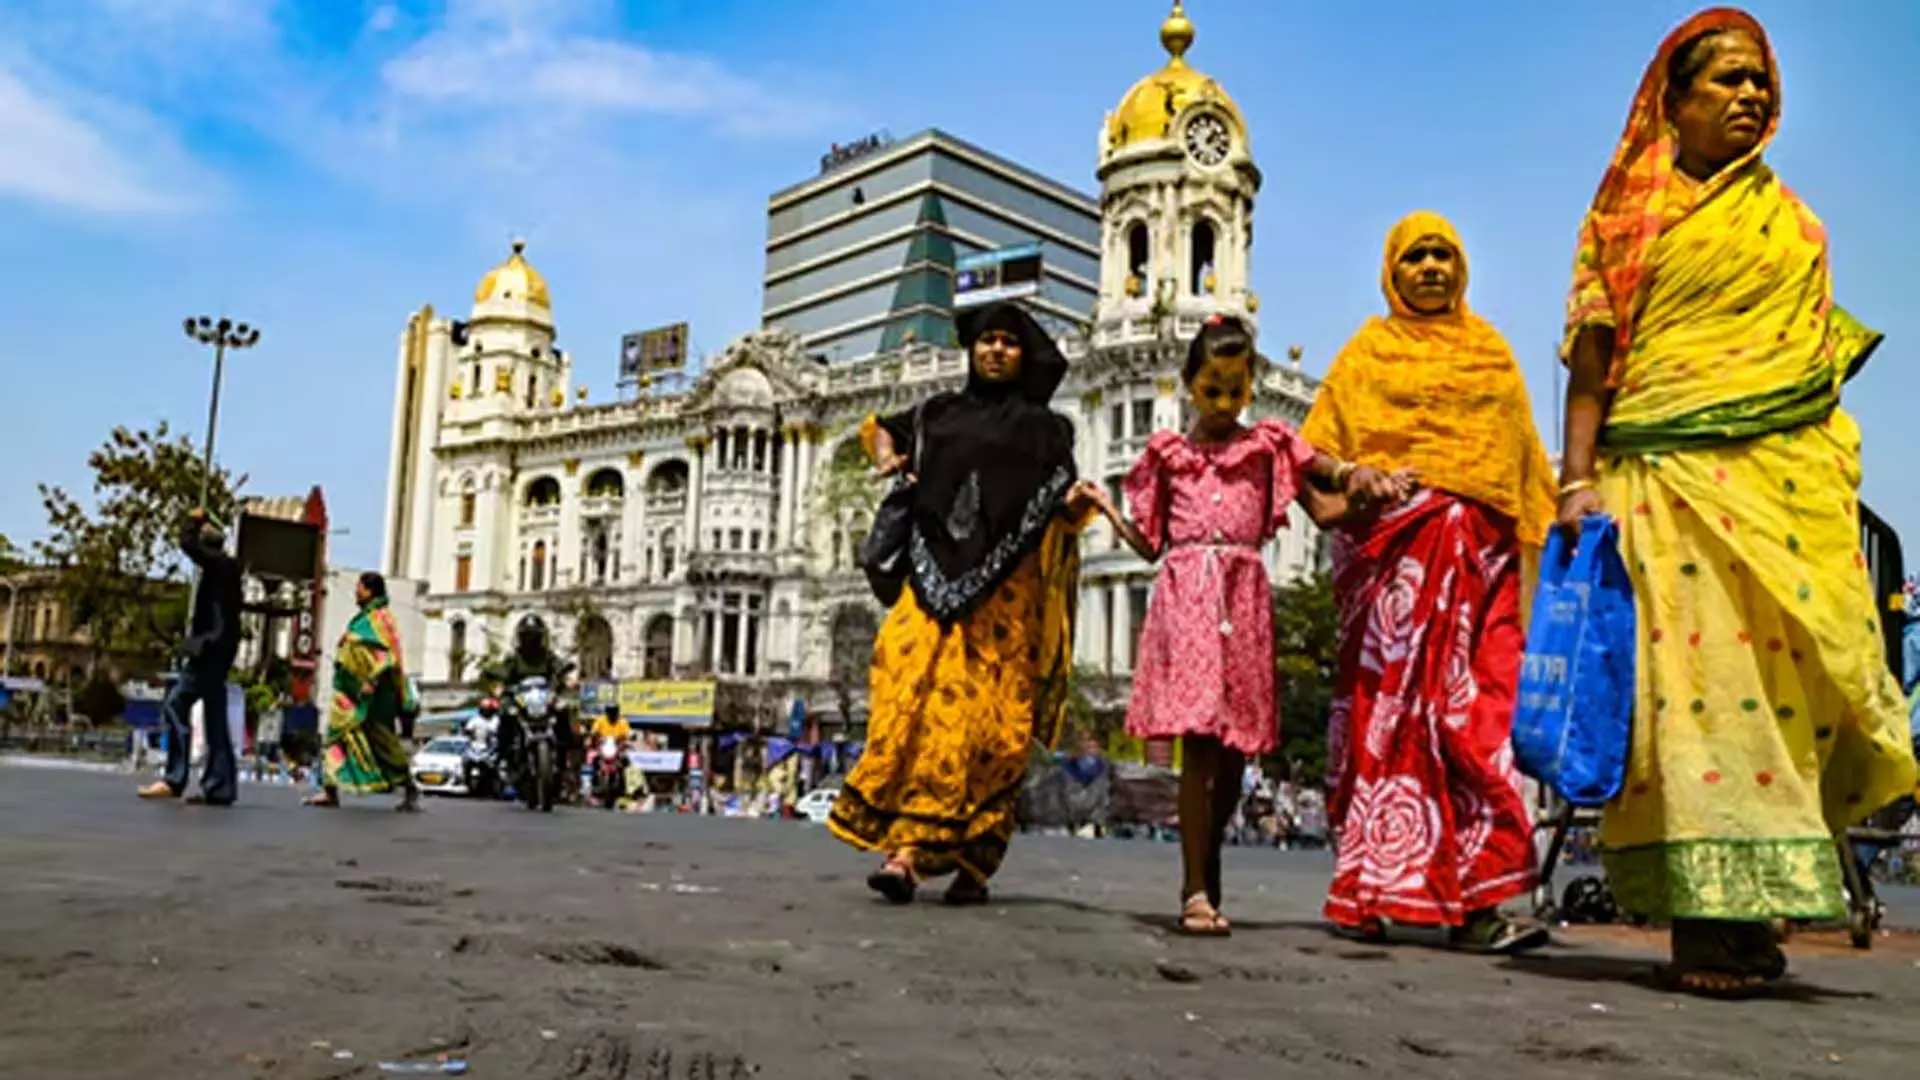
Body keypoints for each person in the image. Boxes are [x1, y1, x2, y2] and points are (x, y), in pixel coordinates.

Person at [1556, 7, 1917, 994]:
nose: (1750, 94)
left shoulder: (1794, 225)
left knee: (1781, 704)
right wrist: (1574, 480)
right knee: (1692, 705)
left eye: (1759, 79)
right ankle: (1705, 925)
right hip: (1662, 487)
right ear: (1670, 102)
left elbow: (1808, 374)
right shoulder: (1621, 222)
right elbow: (1591, 366)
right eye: (1725, 78)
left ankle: (1755, 910)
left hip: (1777, 494)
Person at [1302, 211, 1557, 952]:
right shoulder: (1368, 354)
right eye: (1416, 257)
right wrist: (1362, 481)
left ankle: (1481, 905)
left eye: (1445, 255)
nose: (1432, 269)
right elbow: (1311, 454)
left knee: (1477, 724)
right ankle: (1375, 891)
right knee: (1394, 721)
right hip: (1397, 574)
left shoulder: (1492, 354)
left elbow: (1525, 466)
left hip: (1484, 569)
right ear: (1392, 271)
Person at [1090, 314, 1392, 935]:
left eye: (1235, 390)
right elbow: (1150, 545)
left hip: (1245, 601)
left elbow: (1328, 510)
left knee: (1232, 758)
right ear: (1190, 386)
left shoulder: (1270, 448)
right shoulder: (1167, 456)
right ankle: (1193, 888)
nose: (1225, 404)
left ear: (1249, 387)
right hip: (1188, 600)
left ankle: (1208, 860)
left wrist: (1372, 492)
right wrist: (1103, 510)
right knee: (1199, 745)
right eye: (1211, 390)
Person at [827, 301, 1099, 906]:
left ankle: (971, 862)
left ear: (1025, 354)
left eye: (1008, 341)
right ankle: (905, 853)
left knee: (991, 733)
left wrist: (1080, 508)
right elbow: (881, 430)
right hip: (929, 587)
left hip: (1006, 602)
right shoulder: (937, 413)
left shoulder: (1048, 432)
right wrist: (886, 457)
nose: (995, 350)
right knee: (908, 700)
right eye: (985, 341)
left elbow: (1057, 514)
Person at [138, 509, 243, 806]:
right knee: (215, 716)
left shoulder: (218, 567)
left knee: (176, 704)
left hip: (208, 649)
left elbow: (187, 544)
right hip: (221, 649)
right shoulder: (229, 569)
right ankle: (219, 785)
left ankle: (174, 777)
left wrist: (193, 520)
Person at [306, 572, 421, 811]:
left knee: (382, 741)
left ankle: (409, 787)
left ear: (370, 591)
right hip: (348, 693)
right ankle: (329, 790)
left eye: (359, 587)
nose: (355, 591)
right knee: (335, 737)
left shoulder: (382, 619)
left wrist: (371, 680)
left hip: (373, 696)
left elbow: (387, 656)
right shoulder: (364, 618)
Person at [481, 615, 572, 788]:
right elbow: (502, 671)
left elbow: (560, 667)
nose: (531, 640)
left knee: (563, 709)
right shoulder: (514, 659)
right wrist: (496, 679)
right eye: (527, 636)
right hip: (519, 700)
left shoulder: (549, 657)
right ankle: (504, 753)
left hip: (543, 699)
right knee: (505, 713)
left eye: (534, 636)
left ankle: (563, 751)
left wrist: (565, 676)